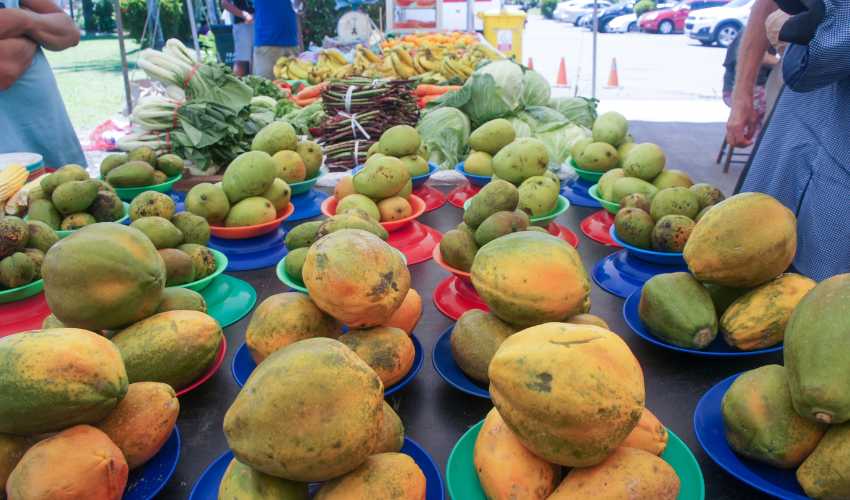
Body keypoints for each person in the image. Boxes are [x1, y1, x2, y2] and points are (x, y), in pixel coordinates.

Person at [728, 0, 850, 281]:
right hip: (796, 126)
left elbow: (813, 58)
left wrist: (794, 32)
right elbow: (767, 7)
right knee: (750, 257)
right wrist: (742, 93)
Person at [0, 0, 85, 167]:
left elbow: (70, 32)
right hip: (8, 168)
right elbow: (5, 69)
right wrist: (32, 29)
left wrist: (23, 20)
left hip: (52, 148)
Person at [721, 29, 777, 138]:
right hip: (739, 90)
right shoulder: (759, 31)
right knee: (779, 112)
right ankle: (766, 146)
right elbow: (762, 57)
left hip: (755, 87)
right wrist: (782, 64)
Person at [251, 0, 299, 79]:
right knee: (265, 87)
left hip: (291, 42)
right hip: (267, 43)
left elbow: (299, 8)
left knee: (296, 89)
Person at [221, 0, 254, 76]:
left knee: (255, 60)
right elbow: (224, 3)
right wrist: (244, 15)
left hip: (260, 23)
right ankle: (235, 85)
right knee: (242, 60)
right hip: (243, 25)